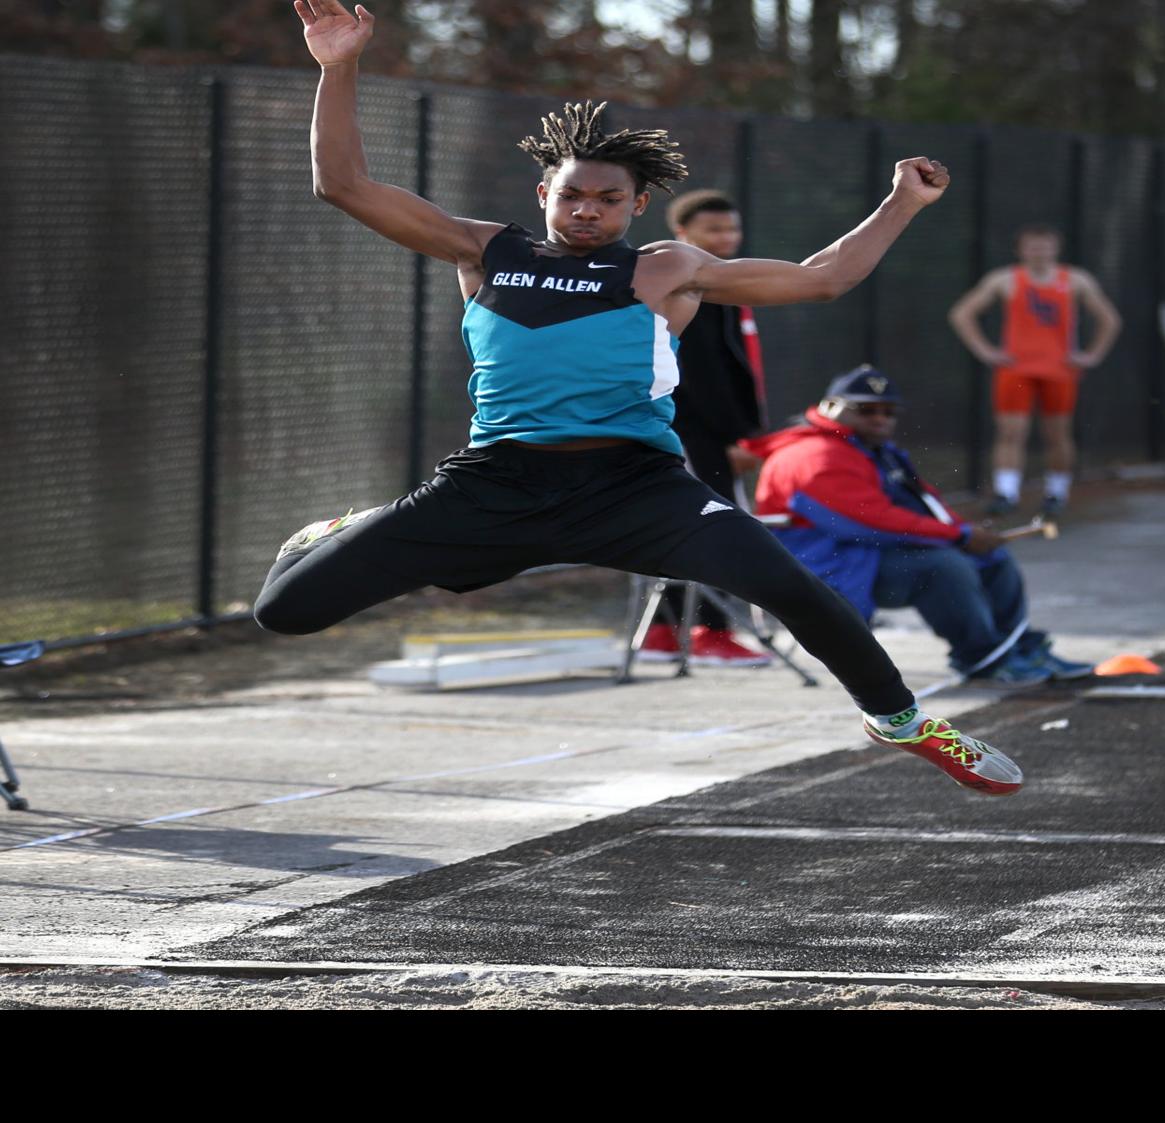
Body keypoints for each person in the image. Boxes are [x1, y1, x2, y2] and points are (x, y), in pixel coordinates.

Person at [258, 0, 1026, 798]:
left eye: (606, 199)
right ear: (544, 193)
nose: (586, 209)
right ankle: (345, 529)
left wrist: (902, 201)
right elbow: (341, 184)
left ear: (635, 207)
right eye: (571, 195)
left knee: (795, 587)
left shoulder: (664, 269)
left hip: (635, 488)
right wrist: (337, 66)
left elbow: (823, 278)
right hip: (495, 483)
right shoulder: (484, 248)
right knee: (285, 612)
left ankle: (900, 720)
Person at [740, 366, 1094, 683]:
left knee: (992, 559)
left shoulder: (870, 447)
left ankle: (1018, 649)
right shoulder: (814, 454)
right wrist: (958, 536)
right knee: (943, 567)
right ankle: (984, 659)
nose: (880, 418)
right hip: (824, 566)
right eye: (866, 409)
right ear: (833, 408)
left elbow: (923, 502)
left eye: (888, 411)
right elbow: (865, 521)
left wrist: (966, 534)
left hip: (862, 556)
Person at [639, 189, 771, 667]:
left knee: (696, 524)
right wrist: (737, 435)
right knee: (717, 525)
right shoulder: (683, 285)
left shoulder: (725, 284)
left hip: (712, 432)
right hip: (688, 431)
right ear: (683, 235)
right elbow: (699, 373)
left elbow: (735, 366)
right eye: (713, 230)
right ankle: (710, 631)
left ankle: (662, 632)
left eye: (731, 228)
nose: (726, 238)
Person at [948, 224, 1122, 516]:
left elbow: (1110, 320)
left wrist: (1091, 356)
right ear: (1021, 249)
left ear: (1056, 248)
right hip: (1017, 369)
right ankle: (1007, 492)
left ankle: (1057, 492)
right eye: (1032, 246)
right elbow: (962, 313)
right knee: (1010, 432)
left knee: (1057, 433)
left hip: (1060, 369)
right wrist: (986, 351)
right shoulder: (1005, 280)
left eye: (1045, 245)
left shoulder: (1075, 280)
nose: (1039, 252)